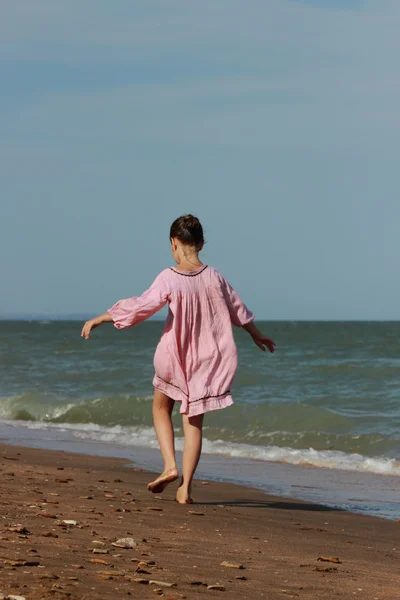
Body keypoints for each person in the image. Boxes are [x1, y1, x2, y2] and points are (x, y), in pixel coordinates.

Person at [81, 215, 275, 504]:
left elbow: (141, 307)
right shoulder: (215, 276)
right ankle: (185, 488)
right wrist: (256, 335)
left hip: (173, 356)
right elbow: (237, 308)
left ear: (174, 243)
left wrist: (103, 318)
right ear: (201, 243)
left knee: (161, 408)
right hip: (207, 361)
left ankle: (169, 465)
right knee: (194, 422)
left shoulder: (169, 277)